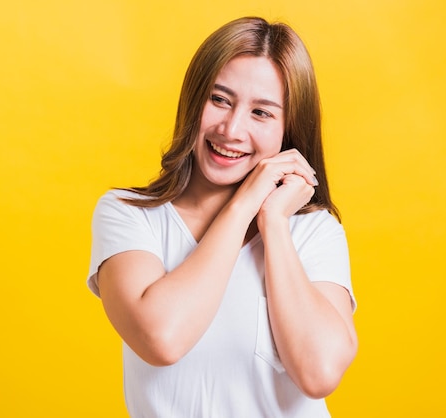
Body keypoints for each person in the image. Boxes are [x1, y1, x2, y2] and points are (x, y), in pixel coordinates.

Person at [87, 16, 357, 417]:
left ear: (289, 130)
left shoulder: (313, 231)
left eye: (261, 113)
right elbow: (162, 339)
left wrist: (275, 224)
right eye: (219, 99)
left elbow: (318, 374)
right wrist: (243, 205)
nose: (231, 129)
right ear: (194, 101)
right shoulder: (129, 215)